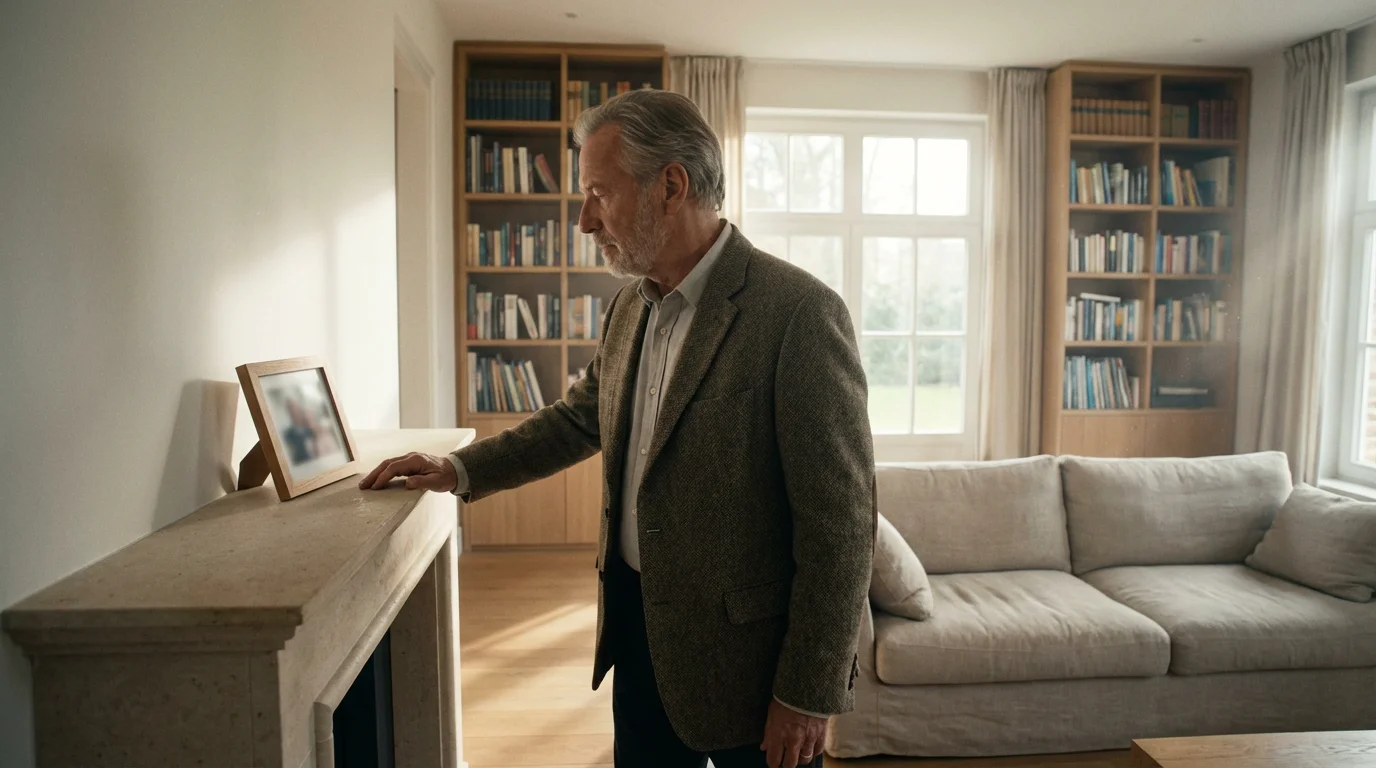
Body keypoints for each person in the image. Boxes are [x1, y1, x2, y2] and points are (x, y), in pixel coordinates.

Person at [360, 89, 874, 768]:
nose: (583, 221)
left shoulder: (799, 314)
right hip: (636, 633)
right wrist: (459, 469)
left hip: (751, 663)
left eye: (598, 194)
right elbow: (580, 418)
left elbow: (841, 528)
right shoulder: (630, 306)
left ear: (671, 185)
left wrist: (807, 694)